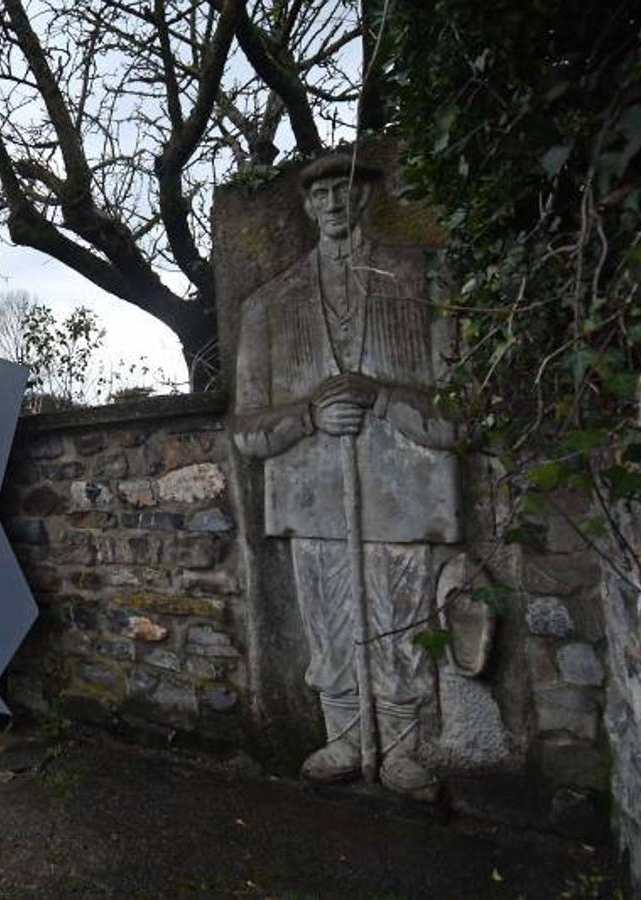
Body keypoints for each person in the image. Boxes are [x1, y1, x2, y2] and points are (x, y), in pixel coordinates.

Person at [232, 153, 463, 800]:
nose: (332, 204)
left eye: (345, 190)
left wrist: (384, 400)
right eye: (320, 194)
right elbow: (245, 428)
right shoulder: (268, 305)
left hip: (402, 497)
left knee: (403, 628)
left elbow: (461, 415)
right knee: (329, 629)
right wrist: (307, 414)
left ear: (366, 197)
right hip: (312, 501)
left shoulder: (421, 277)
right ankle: (344, 733)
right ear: (306, 207)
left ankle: (402, 747)